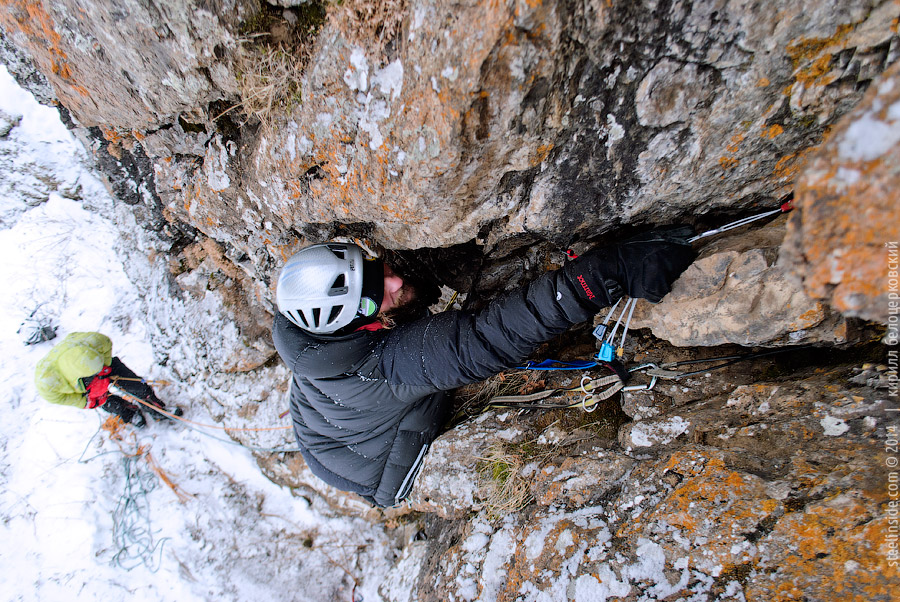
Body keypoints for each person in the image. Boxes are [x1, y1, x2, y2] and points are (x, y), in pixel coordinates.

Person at [272, 228, 696, 507]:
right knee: (429, 386)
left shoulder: (312, 329)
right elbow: (481, 340)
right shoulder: (383, 367)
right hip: (376, 469)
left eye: (371, 268)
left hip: (326, 435)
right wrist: (597, 278)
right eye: (372, 298)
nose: (394, 282)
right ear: (356, 320)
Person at [34, 331, 181, 427]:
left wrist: (105, 366)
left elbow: (106, 345)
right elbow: (60, 398)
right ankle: (130, 413)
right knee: (105, 401)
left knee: (137, 386)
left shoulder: (94, 341)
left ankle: (157, 410)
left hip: (102, 365)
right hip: (82, 387)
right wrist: (85, 401)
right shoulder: (47, 382)